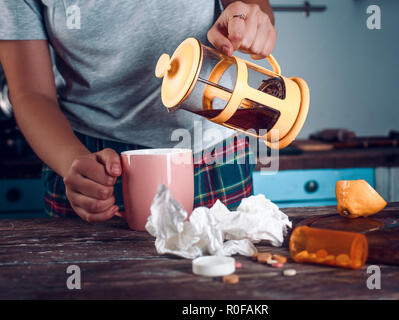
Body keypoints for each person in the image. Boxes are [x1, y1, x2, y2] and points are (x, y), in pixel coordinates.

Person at [0, 0, 277, 222]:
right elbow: (30, 93)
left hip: (212, 150)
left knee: (223, 281)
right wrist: (73, 162)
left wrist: (250, 17)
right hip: (87, 156)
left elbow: (252, 7)